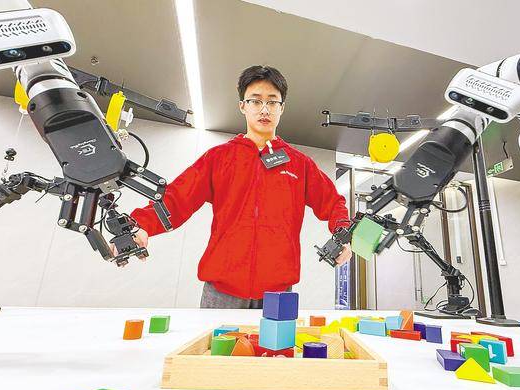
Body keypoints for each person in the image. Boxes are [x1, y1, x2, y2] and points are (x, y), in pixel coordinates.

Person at [128, 65, 352, 308]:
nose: (264, 109)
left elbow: (333, 202)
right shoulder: (218, 158)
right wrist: (141, 225)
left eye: (272, 102)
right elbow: (177, 198)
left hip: (278, 292)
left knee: (277, 337)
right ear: (243, 106)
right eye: (255, 101)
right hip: (222, 291)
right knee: (217, 337)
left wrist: (343, 234)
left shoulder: (299, 164)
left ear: (282, 108)